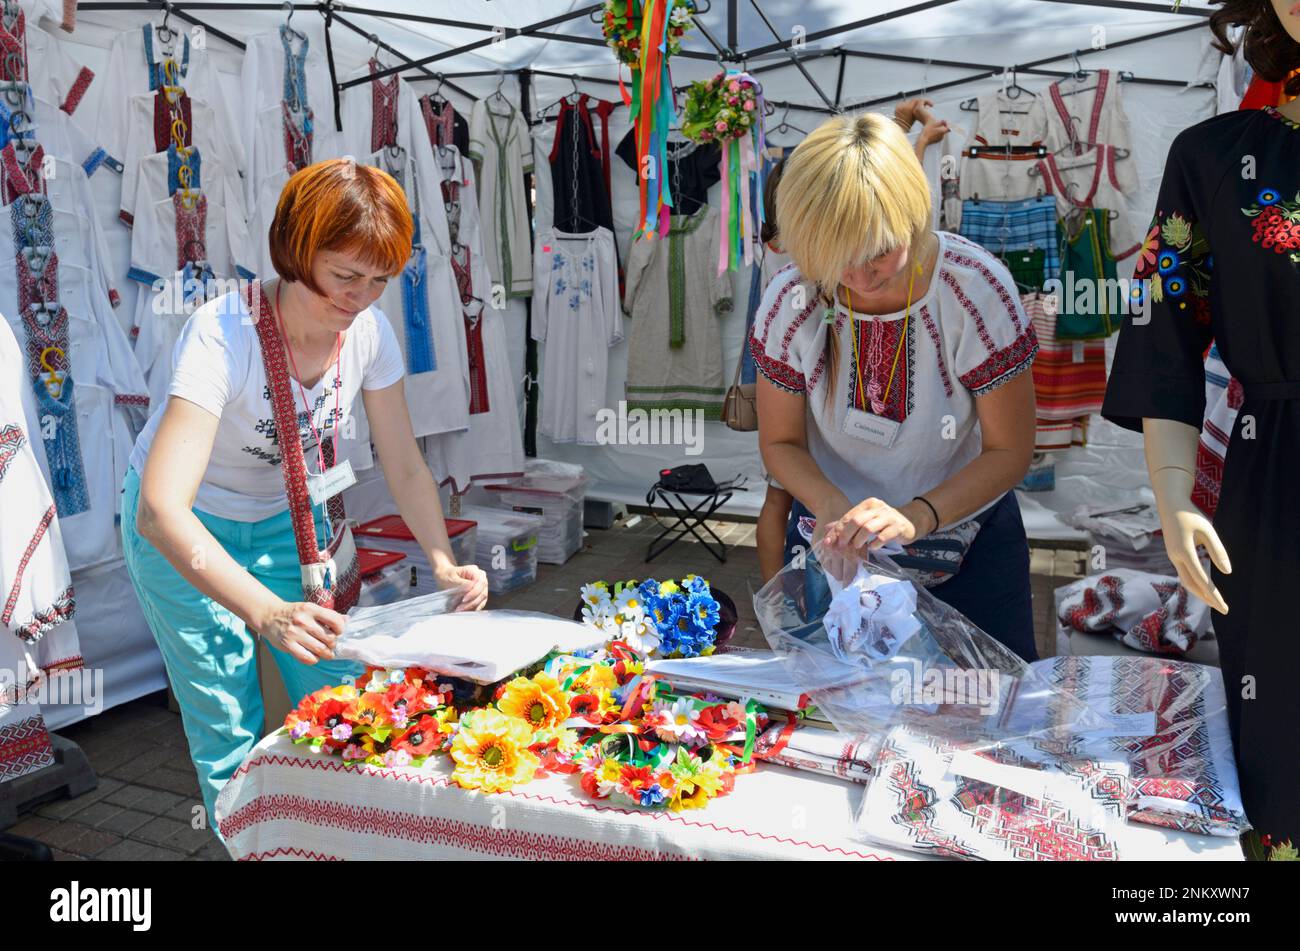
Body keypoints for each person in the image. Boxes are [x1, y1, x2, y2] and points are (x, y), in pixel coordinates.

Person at [120, 158, 488, 827]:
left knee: (340, 697)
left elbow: (403, 463)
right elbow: (160, 509)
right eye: (344, 275)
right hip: (191, 533)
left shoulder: (369, 334)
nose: (359, 297)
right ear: (297, 251)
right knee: (228, 720)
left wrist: (439, 559)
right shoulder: (222, 332)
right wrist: (266, 612)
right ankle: (253, 840)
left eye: (378, 281)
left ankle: (331, 837)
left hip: (289, 526)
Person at [1101, 0, 1300, 855]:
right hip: (1277, 489)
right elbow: (1165, 338)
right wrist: (1173, 494)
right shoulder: (1218, 158)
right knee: (1284, 742)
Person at [750, 112, 1041, 660]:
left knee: (986, 713)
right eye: (838, 260)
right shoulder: (792, 300)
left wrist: (918, 516)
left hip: (969, 539)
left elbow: (1010, 451)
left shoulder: (973, 291)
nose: (860, 279)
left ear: (913, 214)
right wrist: (832, 506)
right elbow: (780, 443)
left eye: (877, 253)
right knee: (824, 725)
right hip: (831, 544)